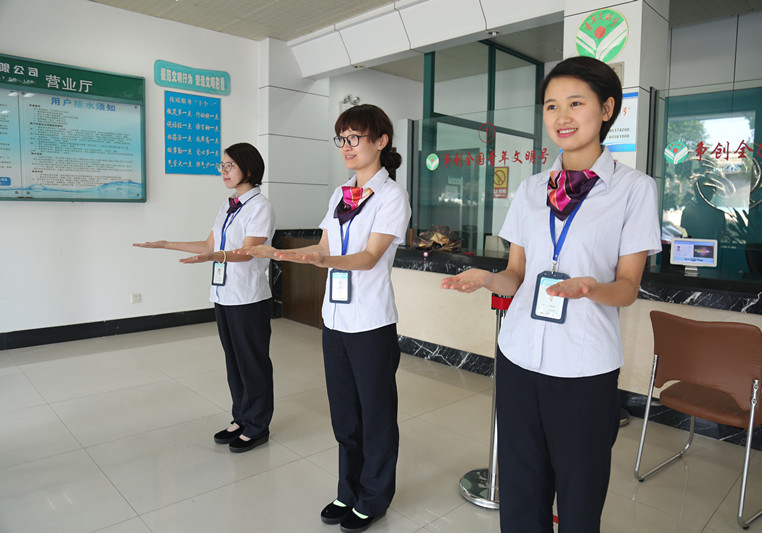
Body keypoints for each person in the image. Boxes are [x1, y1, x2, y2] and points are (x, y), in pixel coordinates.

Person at [441, 56, 661, 533]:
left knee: (580, 497)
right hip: (519, 357)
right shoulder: (531, 189)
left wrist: (591, 288)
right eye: (551, 106)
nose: (561, 116)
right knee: (521, 492)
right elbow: (517, 275)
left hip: (583, 367)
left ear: (607, 109)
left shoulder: (634, 190)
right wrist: (488, 279)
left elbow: (627, 288)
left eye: (575, 103)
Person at [236, 104, 410, 533]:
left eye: (355, 138)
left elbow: (369, 257)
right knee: (345, 414)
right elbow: (324, 247)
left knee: (376, 415)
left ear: (381, 141)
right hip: (334, 319)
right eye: (342, 139)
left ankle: (373, 497)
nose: (346, 147)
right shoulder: (340, 194)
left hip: (370, 322)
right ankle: (347, 490)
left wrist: (320, 259)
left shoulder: (391, 196)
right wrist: (281, 253)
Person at [133, 142, 276, 454]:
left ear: (248, 169)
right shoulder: (228, 206)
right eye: (222, 165)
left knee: (252, 362)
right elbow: (209, 245)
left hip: (248, 297)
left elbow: (248, 252)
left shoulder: (260, 207)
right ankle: (241, 417)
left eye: (229, 165)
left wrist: (215, 256)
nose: (223, 171)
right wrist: (166, 244)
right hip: (224, 294)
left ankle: (258, 425)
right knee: (233, 360)